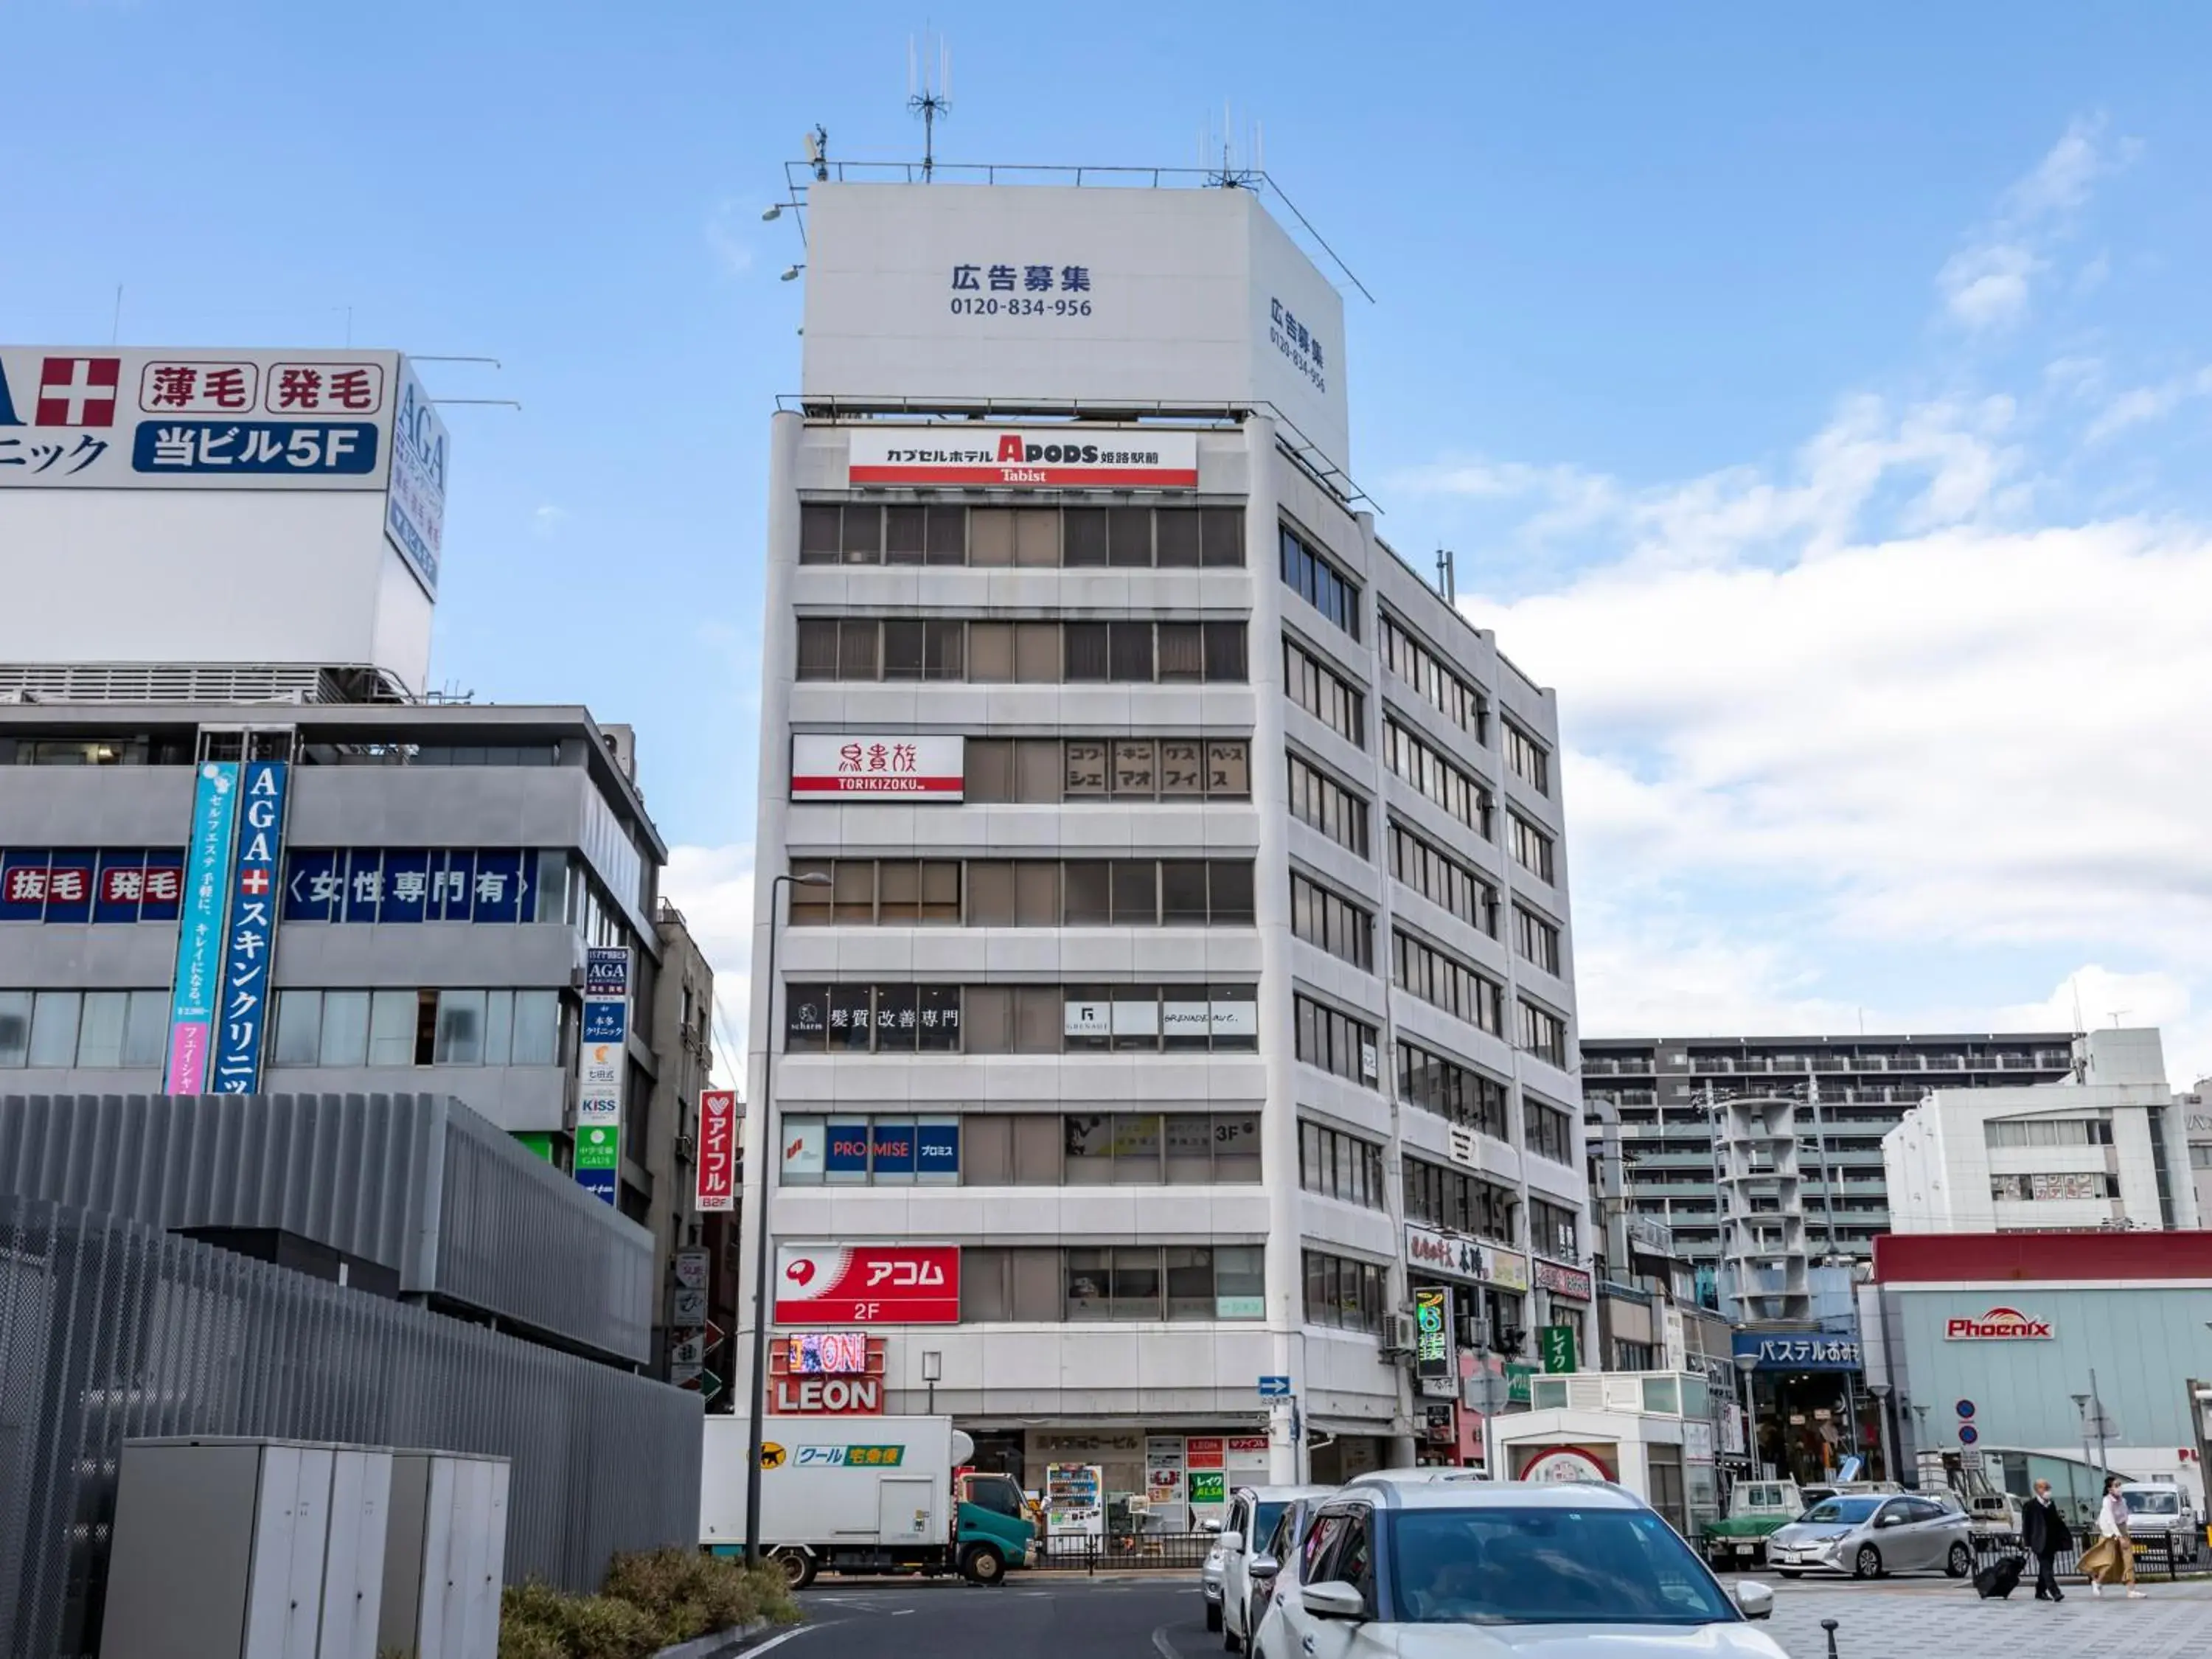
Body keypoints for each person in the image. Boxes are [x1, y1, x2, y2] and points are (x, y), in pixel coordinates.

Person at [2087, 1474, 2146, 1599]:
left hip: (2122, 1530)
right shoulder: (2107, 1501)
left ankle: (2131, 1590)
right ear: (2110, 1489)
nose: (2119, 1487)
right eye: (2116, 1485)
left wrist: (2125, 1534)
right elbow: (2110, 1521)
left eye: (2120, 1485)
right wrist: (2119, 1537)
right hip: (2109, 1533)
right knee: (2108, 1561)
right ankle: (2097, 1582)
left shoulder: (2123, 1501)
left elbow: (2124, 1518)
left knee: (2129, 1560)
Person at [2021, 1478, 2072, 1603]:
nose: (2047, 1490)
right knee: (2046, 1568)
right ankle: (2055, 1592)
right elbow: (2026, 1525)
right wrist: (2027, 1543)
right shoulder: (2030, 1506)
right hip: (2038, 1541)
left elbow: (2056, 1522)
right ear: (2037, 1489)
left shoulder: (2051, 1504)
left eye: (2048, 1488)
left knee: (2045, 1568)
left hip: (2051, 1542)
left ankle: (2040, 1591)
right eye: (2045, 1488)